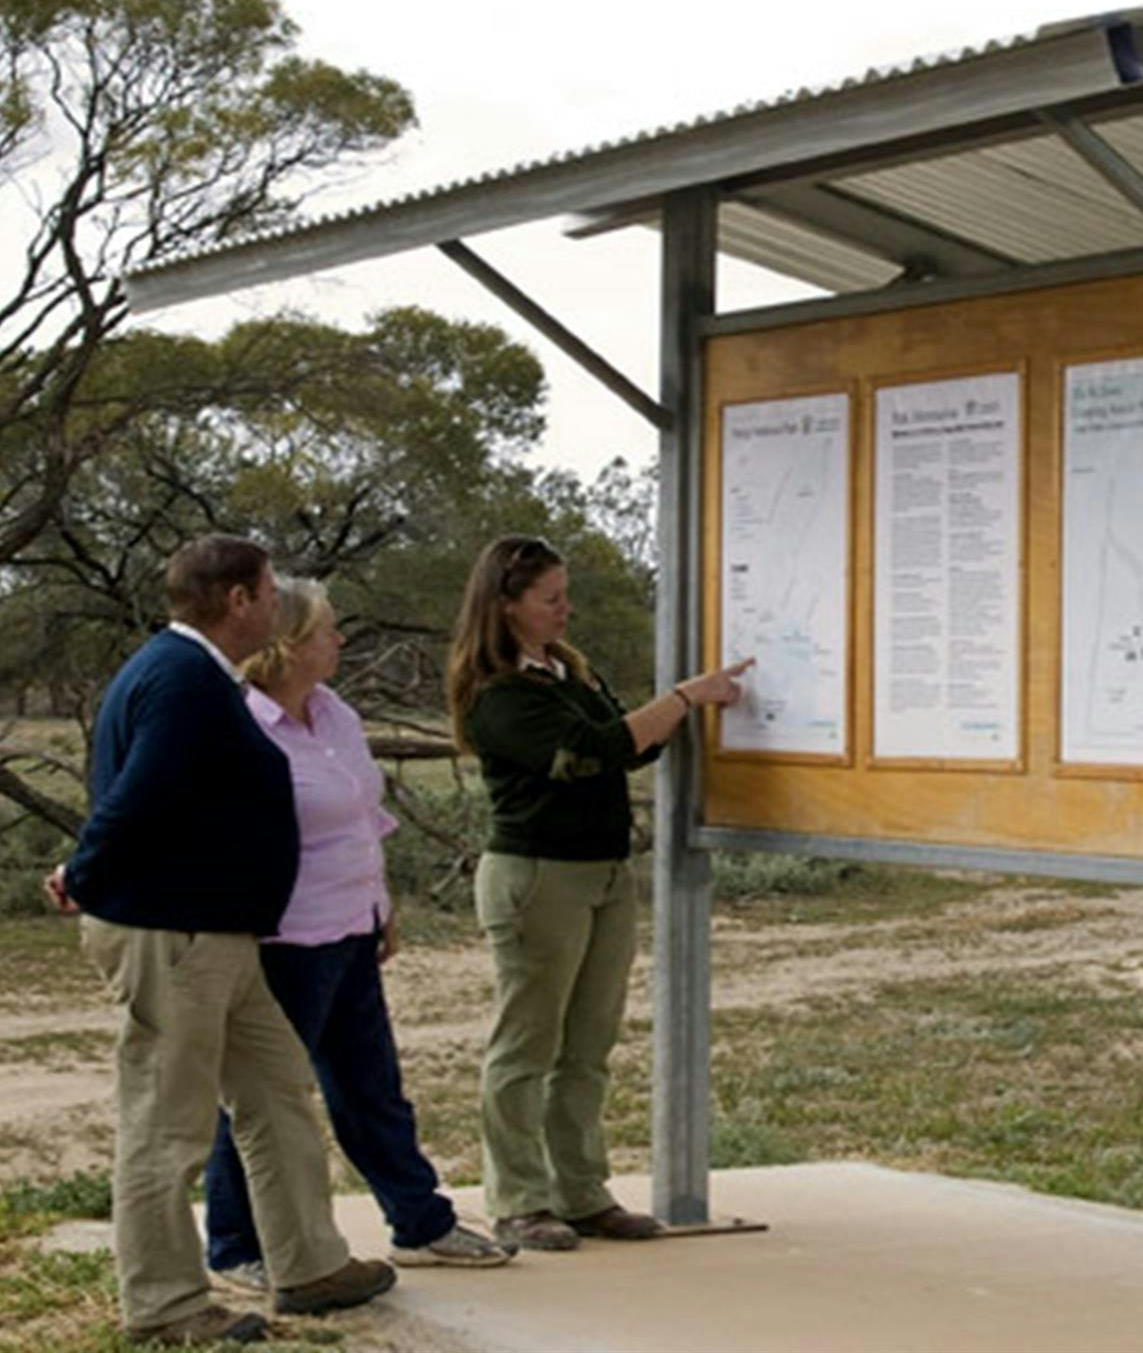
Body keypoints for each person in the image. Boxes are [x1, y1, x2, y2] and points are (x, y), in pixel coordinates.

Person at [44, 535, 394, 1347]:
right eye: (270, 592)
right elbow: (139, 797)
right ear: (237, 600)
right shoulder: (182, 682)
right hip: (175, 936)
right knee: (167, 1126)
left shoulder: (199, 677)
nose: (277, 605)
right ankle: (165, 1307)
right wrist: (85, 872)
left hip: (224, 938)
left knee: (277, 1095)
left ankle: (308, 1266)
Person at [201, 576, 513, 1288]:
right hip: (285, 940)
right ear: (287, 645)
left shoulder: (335, 713)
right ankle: (234, 1244)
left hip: (352, 926)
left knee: (372, 1087)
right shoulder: (241, 721)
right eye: (327, 631)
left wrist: (384, 906)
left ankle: (420, 1222)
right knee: (265, 1096)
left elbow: (363, 816)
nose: (340, 641)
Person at [446, 536, 750, 1252]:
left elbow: (634, 745)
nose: (565, 610)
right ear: (506, 605)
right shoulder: (499, 692)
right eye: (550, 599)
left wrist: (683, 713)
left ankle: (580, 1192)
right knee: (526, 1044)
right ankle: (518, 1198)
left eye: (565, 595)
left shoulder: (565, 671)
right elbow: (592, 754)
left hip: (604, 872)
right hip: (537, 877)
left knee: (587, 1045)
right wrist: (682, 697)